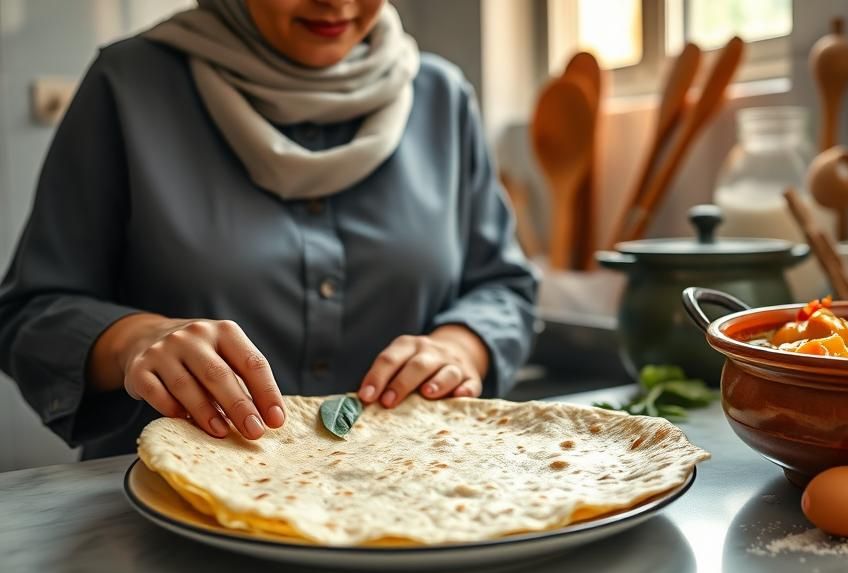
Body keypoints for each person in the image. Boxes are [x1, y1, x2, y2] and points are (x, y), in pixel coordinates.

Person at [0, 0, 538, 459]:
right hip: (171, 516)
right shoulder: (127, 85)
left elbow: (503, 287)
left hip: (418, 499)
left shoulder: (443, 97)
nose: (337, 2)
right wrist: (135, 339)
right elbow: (31, 312)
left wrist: (463, 345)